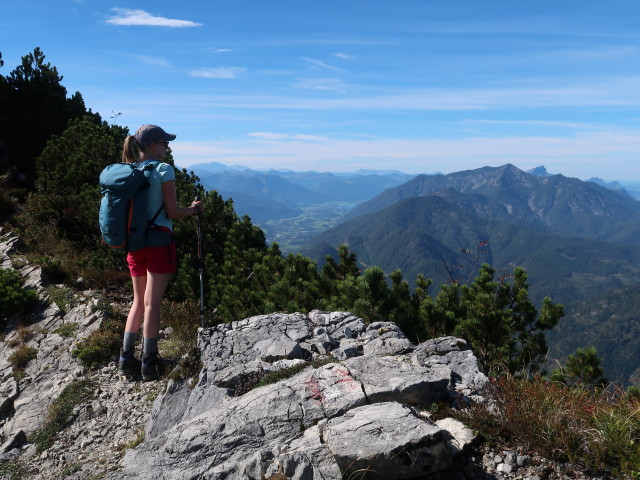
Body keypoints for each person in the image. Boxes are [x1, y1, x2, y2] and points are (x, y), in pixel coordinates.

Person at [118, 124, 203, 381]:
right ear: (153, 145)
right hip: (159, 242)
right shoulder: (164, 170)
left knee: (137, 302)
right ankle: (150, 363)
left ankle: (125, 359)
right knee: (152, 303)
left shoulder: (130, 170)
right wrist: (194, 209)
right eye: (165, 143)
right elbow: (173, 212)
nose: (168, 147)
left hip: (135, 243)